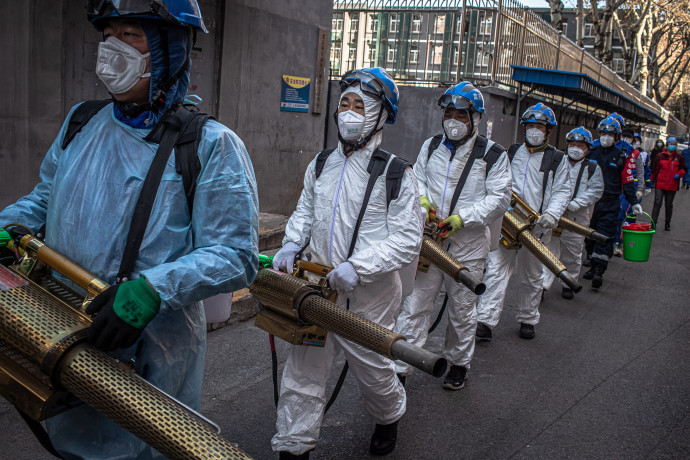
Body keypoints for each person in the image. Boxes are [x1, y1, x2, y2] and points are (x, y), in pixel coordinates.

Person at [0, 2, 259, 458]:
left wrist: (152, 291)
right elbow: (44, 198)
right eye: (108, 36)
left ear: (171, 49)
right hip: (61, 329)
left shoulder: (211, 144)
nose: (113, 50)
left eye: (132, 36)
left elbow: (235, 254)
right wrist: (4, 228)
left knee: (141, 448)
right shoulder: (82, 121)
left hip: (146, 355)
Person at [270, 68, 423, 459]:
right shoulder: (321, 163)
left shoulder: (396, 173)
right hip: (317, 289)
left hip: (369, 297)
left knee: (372, 369)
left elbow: (407, 239)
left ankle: (388, 418)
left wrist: (360, 266)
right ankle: (294, 445)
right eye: (345, 105)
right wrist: (291, 244)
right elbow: (306, 210)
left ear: (380, 116)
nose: (350, 113)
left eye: (361, 106)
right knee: (303, 371)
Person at [393, 82, 511, 391]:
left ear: (475, 118)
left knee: (461, 309)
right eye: (449, 113)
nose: (453, 121)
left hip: (468, 245)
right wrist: (422, 202)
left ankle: (459, 363)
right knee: (416, 303)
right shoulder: (431, 146)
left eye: (461, 115)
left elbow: (499, 198)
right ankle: (403, 367)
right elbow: (416, 179)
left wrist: (463, 219)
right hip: (431, 240)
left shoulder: (493, 155)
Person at [475, 103, 571, 341]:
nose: (534, 130)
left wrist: (552, 213)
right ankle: (485, 320)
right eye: (530, 125)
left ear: (548, 131)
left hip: (537, 227)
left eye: (539, 126)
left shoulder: (558, 159)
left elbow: (562, 191)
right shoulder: (513, 151)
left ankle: (527, 318)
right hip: (507, 222)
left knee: (532, 275)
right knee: (496, 271)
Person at [541, 127, 603, 299]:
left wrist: (577, 203)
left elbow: (595, 191)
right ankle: (543, 285)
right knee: (549, 251)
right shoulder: (558, 161)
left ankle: (568, 282)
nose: (575, 148)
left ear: (587, 148)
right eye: (572, 144)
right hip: (555, 215)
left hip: (577, 219)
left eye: (580, 145)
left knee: (573, 253)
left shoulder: (592, 168)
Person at [584, 116, 640, 288]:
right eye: (603, 133)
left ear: (616, 137)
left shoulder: (622, 156)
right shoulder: (591, 151)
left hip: (611, 203)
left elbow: (628, 180)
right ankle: (592, 264)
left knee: (604, 236)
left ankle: (599, 272)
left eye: (610, 134)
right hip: (591, 203)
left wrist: (634, 201)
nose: (606, 137)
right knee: (589, 236)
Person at [613, 125, 644, 257]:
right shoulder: (614, 150)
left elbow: (641, 173)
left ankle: (618, 243)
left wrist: (640, 190)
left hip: (629, 192)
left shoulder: (636, 154)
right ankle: (612, 240)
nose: (626, 139)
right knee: (613, 217)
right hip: (615, 189)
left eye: (630, 137)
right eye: (624, 136)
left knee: (624, 216)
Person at [651, 137, 687, 230]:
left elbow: (683, 169)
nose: (672, 146)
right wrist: (652, 179)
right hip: (660, 183)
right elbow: (654, 168)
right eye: (671, 144)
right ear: (667, 145)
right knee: (657, 202)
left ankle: (667, 223)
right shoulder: (660, 156)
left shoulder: (679, 157)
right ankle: (653, 222)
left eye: (674, 144)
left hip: (672, 185)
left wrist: (679, 174)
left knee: (668, 204)